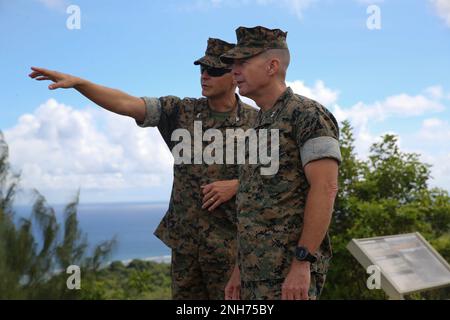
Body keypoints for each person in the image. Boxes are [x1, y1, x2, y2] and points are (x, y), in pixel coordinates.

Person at [29, 38, 258, 299]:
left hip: (231, 250)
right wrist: (81, 84)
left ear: (234, 77)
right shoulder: (180, 112)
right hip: (186, 247)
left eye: (214, 71)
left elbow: (277, 179)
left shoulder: (256, 123)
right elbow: (127, 103)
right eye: (201, 69)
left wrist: (237, 185)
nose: (205, 76)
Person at [221, 26, 342, 300]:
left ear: (272, 66)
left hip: (288, 275)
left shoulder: (308, 115)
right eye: (233, 64)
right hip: (255, 273)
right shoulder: (258, 124)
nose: (234, 71)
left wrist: (302, 262)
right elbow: (254, 201)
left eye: (243, 62)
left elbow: (325, 188)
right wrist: (241, 268)